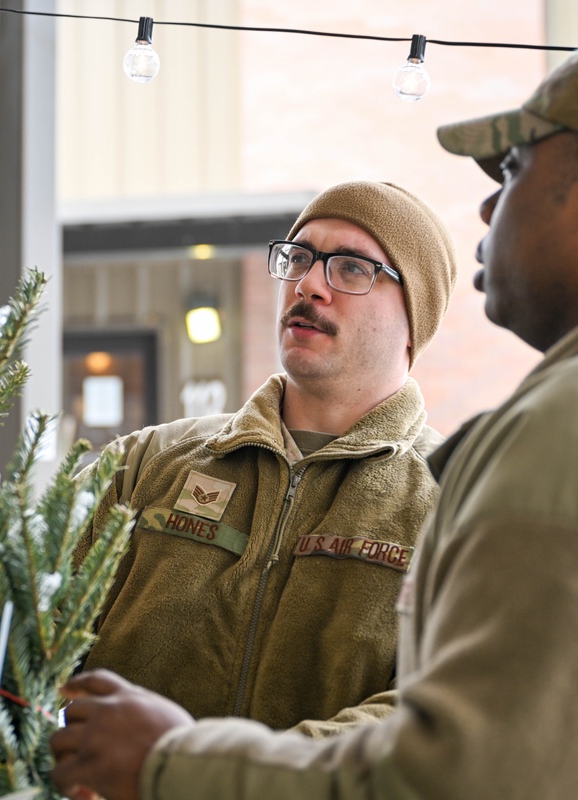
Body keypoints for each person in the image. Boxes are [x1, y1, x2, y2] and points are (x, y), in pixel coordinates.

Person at [49, 29, 578, 800]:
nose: (487, 202)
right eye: (300, 258)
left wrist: (178, 762)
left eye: (513, 168)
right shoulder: (150, 462)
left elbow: (469, 772)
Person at [68, 180, 458, 735]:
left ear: (414, 319)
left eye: (350, 268)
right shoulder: (146, 465)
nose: (308, 284)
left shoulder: (455, 500)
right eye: (299, 257)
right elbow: (18, 617)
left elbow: (437, 713)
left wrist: (204, 770)